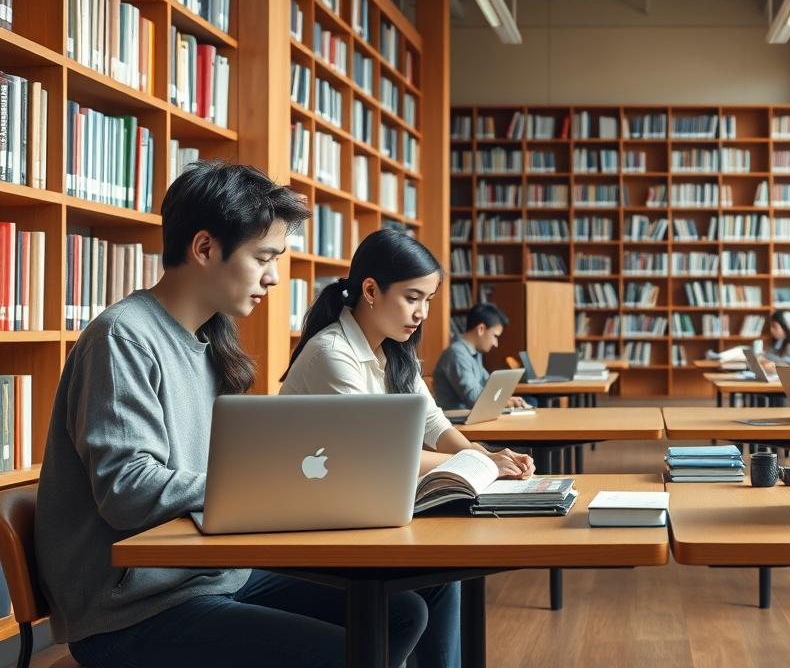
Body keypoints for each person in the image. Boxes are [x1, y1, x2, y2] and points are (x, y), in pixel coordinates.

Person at [35, 162, 429, 667]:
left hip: (212, 576)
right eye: (264, 257)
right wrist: (255, 481)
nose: (274, 276)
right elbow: (127, 492)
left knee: (402, 613)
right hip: (133, 610)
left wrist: (277, 481)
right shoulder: (124, 338)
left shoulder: (210, 339)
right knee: (349, 651)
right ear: (204, 248)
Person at [280, 229, 533, 668]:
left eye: (429, 300)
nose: (422, 313)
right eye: (413, 297)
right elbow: (378, 454)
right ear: (371, 291)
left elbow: (433, 422)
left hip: (357, 507)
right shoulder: (332, 354)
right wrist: (475, 461)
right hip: (311, 522)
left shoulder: (394, 350)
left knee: (444, 578)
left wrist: (483, 455)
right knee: (427, 587)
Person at [433, 303, 527, 410]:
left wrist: (509, 399)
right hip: (455, 420)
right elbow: (474, 399)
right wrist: (506, 403)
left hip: (470, 416)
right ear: (481, 329)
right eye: (495, 336)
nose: (495, 344)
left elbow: (489, 385)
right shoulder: (456, 353)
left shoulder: (475, 353)